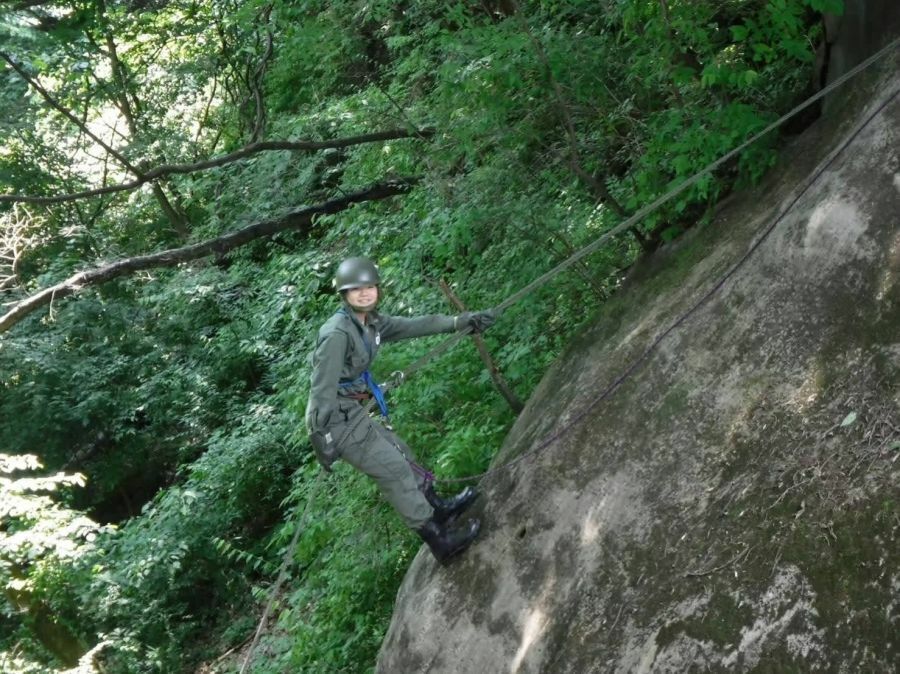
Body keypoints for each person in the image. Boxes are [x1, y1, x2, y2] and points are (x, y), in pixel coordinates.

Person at [305, 257, 498, 563]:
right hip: (338, 421)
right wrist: (320, 437)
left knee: (402, 453)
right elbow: (320, 391)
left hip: (354, 409)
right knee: (394, 470)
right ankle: (439, 541)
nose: (365, 294)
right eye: (356, 290)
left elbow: (412, 325)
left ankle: (438, 508)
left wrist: (459, 322)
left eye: (369, 287)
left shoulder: (371, 323)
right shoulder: (337, 334)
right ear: (344, 295)